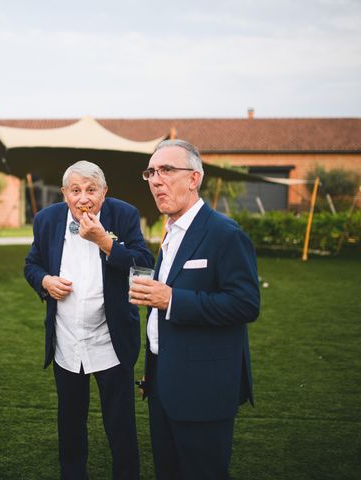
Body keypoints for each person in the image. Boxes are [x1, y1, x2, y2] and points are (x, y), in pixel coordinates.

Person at [130, 139, 260, 480]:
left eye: (166, 170)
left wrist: (171, 300)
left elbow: (246, 303)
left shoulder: (224, 234)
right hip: (163, 386)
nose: (156, 180)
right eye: (151, 172)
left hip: (203, 391)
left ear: (194, 178)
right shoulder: (170, 232)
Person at [24, 160, 153, 480]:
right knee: (70, 419)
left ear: (104, 192)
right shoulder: (46, 220)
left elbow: (145, 264)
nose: (83, 198)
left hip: (110, 338)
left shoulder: (123, 215)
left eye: (91, 190)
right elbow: (32, 264)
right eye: (76, 190)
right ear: (65, 193)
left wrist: (104, 241)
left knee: (119, 420)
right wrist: (44, 282)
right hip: (66, 339)